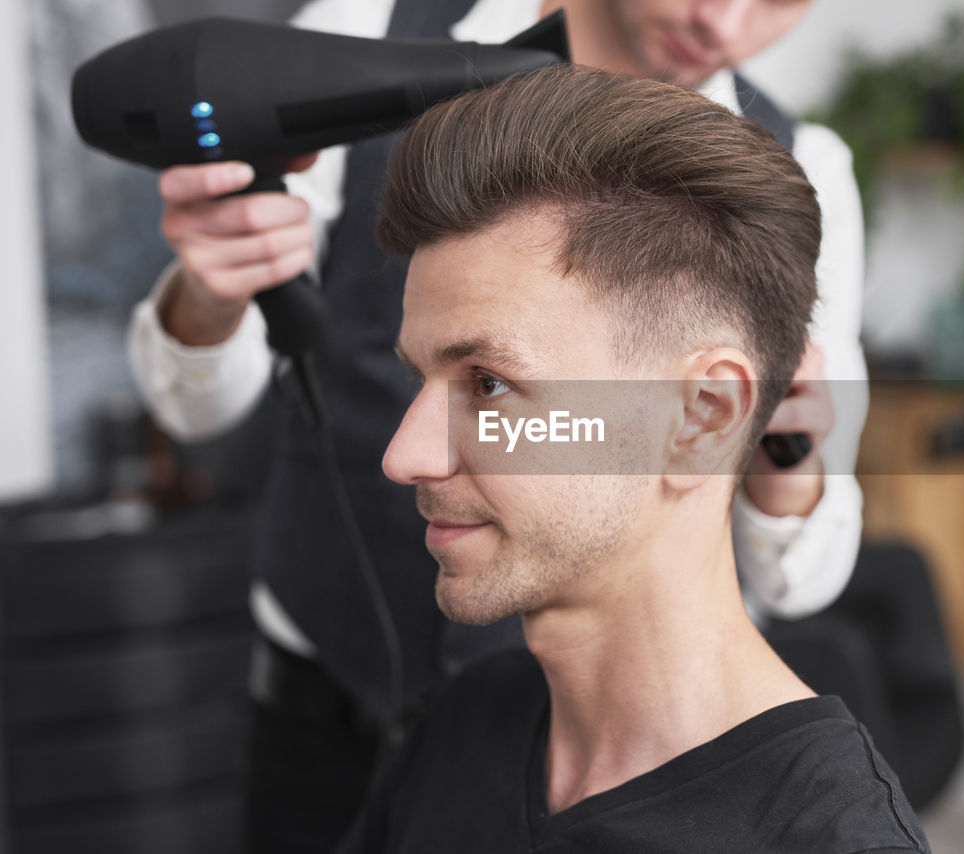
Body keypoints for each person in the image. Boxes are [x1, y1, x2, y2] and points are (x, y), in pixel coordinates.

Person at [126, 0, 867, 849]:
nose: (722, 22)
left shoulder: (805, 170)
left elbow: (802, 572)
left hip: (595, 757)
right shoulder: (369, 28)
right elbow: (194, 405)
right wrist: (212, 292)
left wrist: (778, 447)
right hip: (325, 700)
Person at [338, 64, 923, 853]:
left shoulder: (825, 840)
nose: (404, 456)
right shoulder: (465, 723)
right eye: (420, 378)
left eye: (489, 383)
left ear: (702, 419)